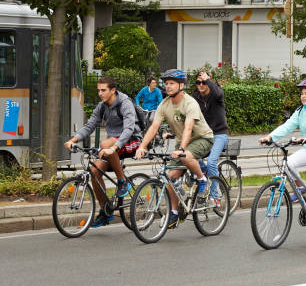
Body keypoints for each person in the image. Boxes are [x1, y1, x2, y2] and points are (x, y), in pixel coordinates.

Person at [135, 69, 214, 229]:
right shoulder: (164, 104)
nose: (168, 86)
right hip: (183, 144)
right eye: (166, 83)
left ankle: (202, 180)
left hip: (202, 139)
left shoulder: (190, 103)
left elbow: (188, 128)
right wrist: (142, 146)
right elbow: (154, 127)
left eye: (172, 83)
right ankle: (175, 213)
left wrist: (182, 148)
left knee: (185, 156)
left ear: (181, 85)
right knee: (170, 177)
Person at [259, 79, 306, 235]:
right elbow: (288, 126)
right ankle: (301, 188)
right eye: (302, 94)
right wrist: (270, 137)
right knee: (287, 164)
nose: (303, 96)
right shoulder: (300, 111)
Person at [64, 76, 142, 228]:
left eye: (103, 90)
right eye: (98, 90)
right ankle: (105, 211)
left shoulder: (125, 104)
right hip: (112, 146)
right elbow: (90, 125)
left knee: (105, 143)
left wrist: (114, 147)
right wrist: (74, 140)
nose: (100, 93)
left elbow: (129, 129)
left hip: (131, 141)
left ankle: (122, 182)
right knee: (94, 170)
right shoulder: (102, 106)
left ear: (113, 90)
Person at [191, 70, 229, 204]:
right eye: (198, 82)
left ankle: (215, 195)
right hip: (204, 136)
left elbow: (218, 92)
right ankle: (205, 173)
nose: (201, 85)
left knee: (212, 161)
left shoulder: (216, 94)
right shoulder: (195, 97)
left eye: (204, 82)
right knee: (190, 156)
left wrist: (208, 80)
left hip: (219, 134)